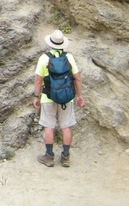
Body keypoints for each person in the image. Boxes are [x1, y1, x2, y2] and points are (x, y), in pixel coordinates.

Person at [33, 30, 85, 168]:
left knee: (48, 126)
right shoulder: (69, 57)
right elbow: (77, 78)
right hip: (66, 98)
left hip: (48, 96)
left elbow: (38, 81)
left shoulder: (44, 58)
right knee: (66, 126)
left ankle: (49, 156)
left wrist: (36, 97)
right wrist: (79, 95)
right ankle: (66, 157)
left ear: (51, 43)